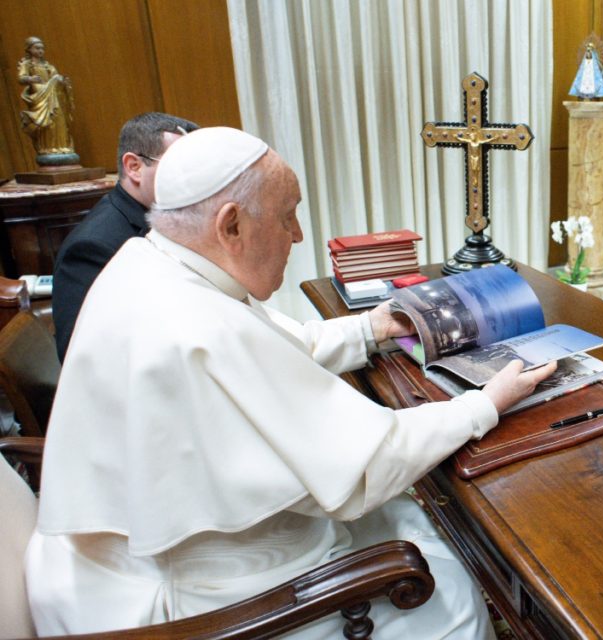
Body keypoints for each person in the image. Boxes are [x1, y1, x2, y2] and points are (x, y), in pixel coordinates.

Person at [26, 127, 556, 638]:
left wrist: (372, 327)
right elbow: (365, 466)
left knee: (409, 517)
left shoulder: (153, 261)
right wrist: (483, 403)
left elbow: (274, 348)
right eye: (288, 216)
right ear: (229, 225)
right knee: (454, 597)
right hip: (202, 596)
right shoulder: (189, 322)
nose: (298, 234)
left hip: (143, 556)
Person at [51, 112, 198, 362]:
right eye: (179, 167)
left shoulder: (168, 215)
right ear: (134, 167)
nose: (194, 180)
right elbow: (83, 357)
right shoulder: (92, 246)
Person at [17, 36, 76, 164]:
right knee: (47, 123)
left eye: (42, 48)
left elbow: (56, 77)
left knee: (57, 118)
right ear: (29, 49)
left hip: (53, 96)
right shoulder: (27, 64)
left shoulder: (48, 66)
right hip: (40, 96)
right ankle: (48, 148)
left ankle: (61, 146)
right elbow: (21, 78)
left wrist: (62, 81)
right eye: (37, 48)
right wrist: (30, 79)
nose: (40, 51)